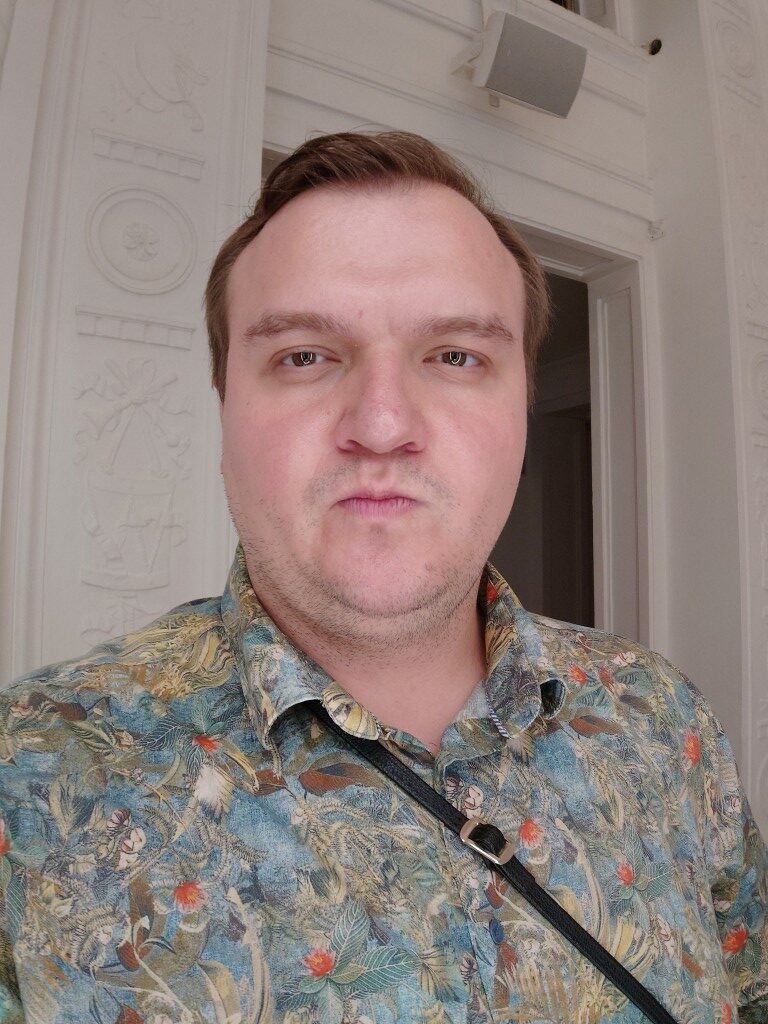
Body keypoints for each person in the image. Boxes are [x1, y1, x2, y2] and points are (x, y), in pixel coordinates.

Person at [0, 130, 765, 1024]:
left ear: (521, 409)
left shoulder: (665, 719)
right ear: (224, 409)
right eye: (303, 355)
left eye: (456, 355)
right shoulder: (27, 772)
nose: (383, 423)